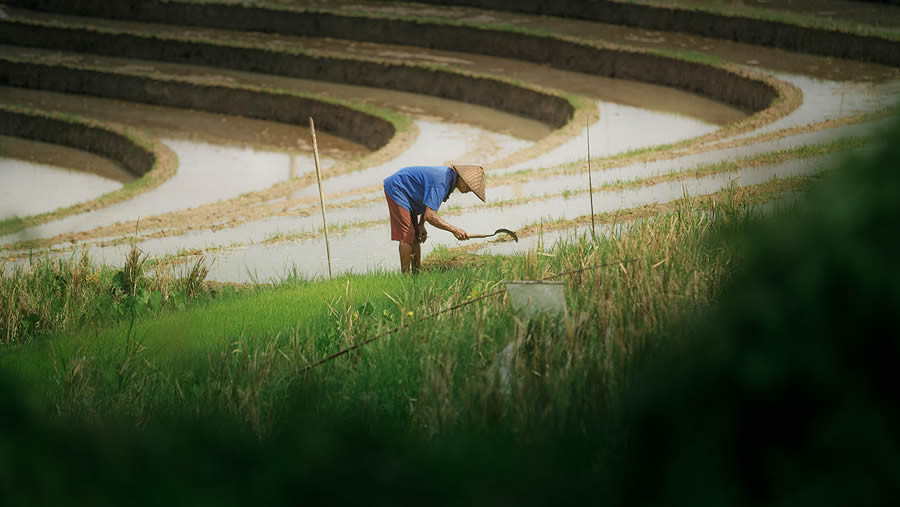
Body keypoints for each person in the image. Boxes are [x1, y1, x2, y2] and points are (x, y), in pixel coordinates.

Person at [383, 164, 486, 272]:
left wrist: (421, 224)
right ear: (462, 179)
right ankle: (405, 278)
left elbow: (429, 204)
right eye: (469, 186)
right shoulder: (442, 182)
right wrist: (454, 230)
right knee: (407, 234)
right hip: (398, 187)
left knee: (416, 234)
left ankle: (416, 274)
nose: (469, 190)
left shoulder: (449, 181)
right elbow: (430, 215)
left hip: (409, 192)